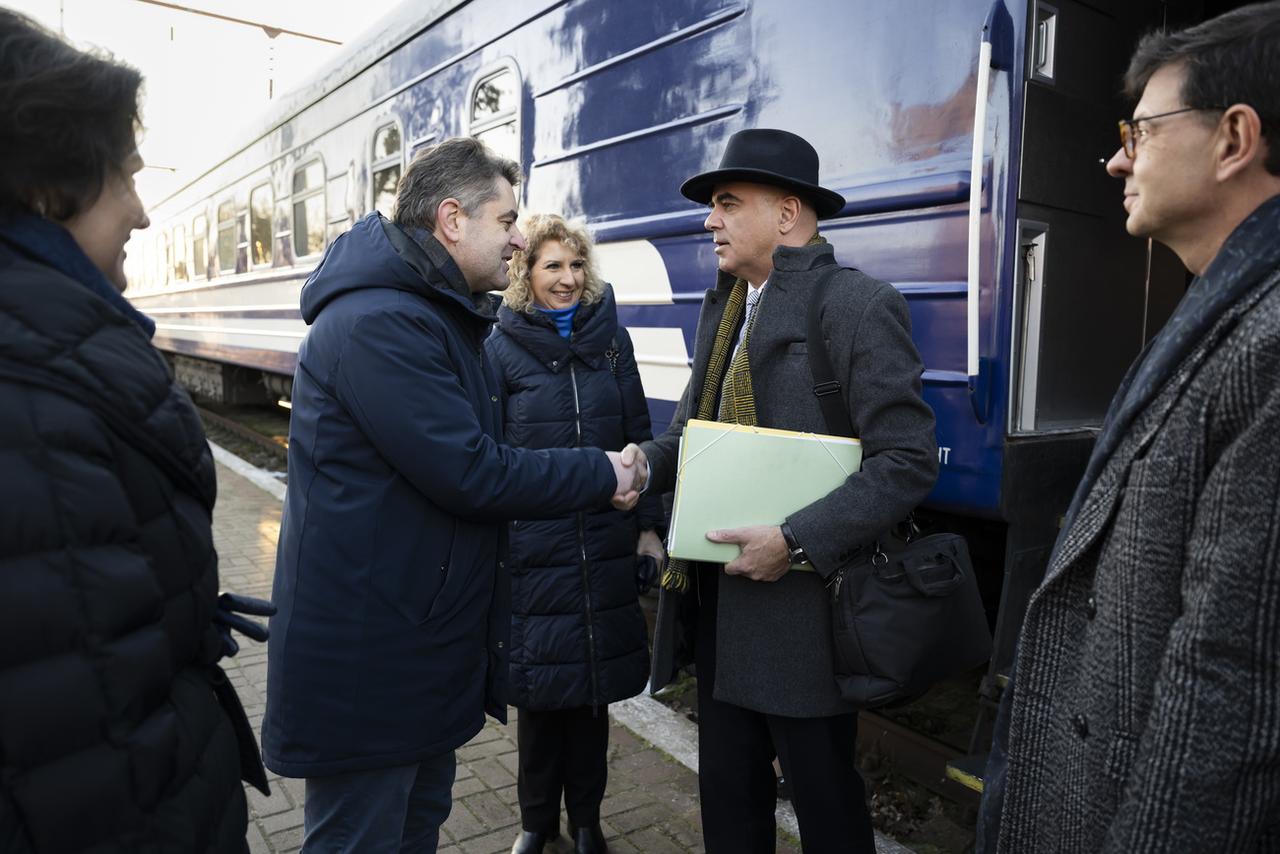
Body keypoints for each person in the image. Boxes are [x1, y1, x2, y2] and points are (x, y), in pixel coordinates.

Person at [261, 138, 648, 853]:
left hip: (411, 646)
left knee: (412, 829)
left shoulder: (429, 315)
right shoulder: (382, 323)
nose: (519, 238)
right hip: (372, 664)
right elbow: (474, 471)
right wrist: (607, 473)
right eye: (506, 222)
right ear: (450, 220)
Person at [977, 5, 1280, 851]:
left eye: (1141, 131)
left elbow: (1233, 689)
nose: (1116, 158)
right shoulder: (1230, 310)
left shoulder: (1267, 342)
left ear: (1233, 139)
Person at [0, 10, 270, 852]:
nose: (144, 213)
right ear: (47, 187)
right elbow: (96, 757)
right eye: (125, 174)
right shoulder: (38, 407)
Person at [637, 128, 938, 853]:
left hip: (805, 617)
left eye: (727, 203)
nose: (710, 220)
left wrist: (796, 540)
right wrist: (641, 468)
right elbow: (690, 436)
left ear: (787, 213)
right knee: (730, 805)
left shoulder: (859, 305)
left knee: (826, 806)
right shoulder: (729, 307)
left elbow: (906, 459)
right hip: (720, 602)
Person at [484, 214, 665, 854]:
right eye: (552, 266)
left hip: (604, 541)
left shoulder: (612, 341)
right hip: (535, 548)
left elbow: (640, 438)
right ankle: (536, 824)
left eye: (576, 265)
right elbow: (491, 459)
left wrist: (647, 529)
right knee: (540, 699)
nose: (567, 278)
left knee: (592, 699)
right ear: (524, 273)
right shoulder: (498, 347)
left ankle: (587, 822)